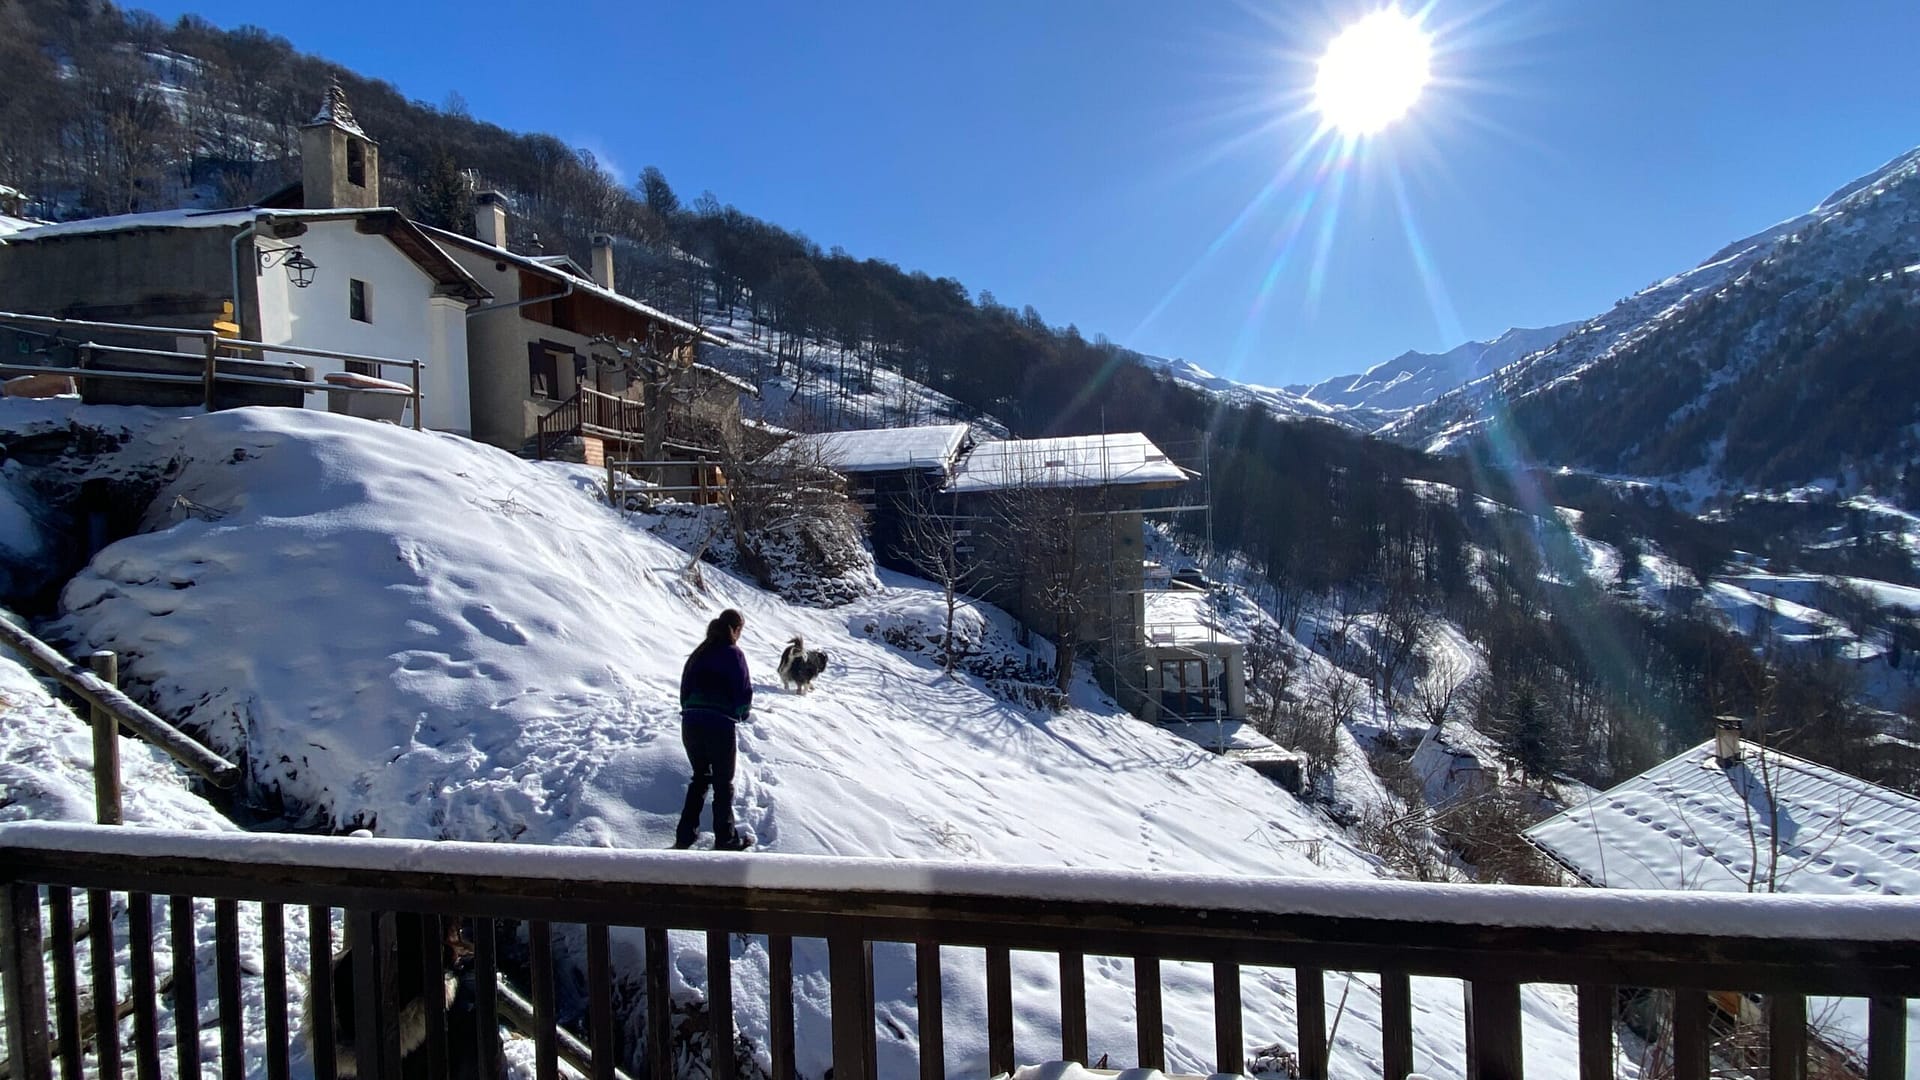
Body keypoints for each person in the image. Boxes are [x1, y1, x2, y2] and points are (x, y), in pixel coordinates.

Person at [675, 608, 754, 850]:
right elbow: (743, 693)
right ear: (737, 629)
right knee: (723, 783)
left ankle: (685, 836)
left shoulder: (700, 653)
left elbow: (684, 689)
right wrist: (741, 713)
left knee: (700, 778)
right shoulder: (734, 654)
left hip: (690, 723)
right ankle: (725, 839)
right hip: (718, 725)